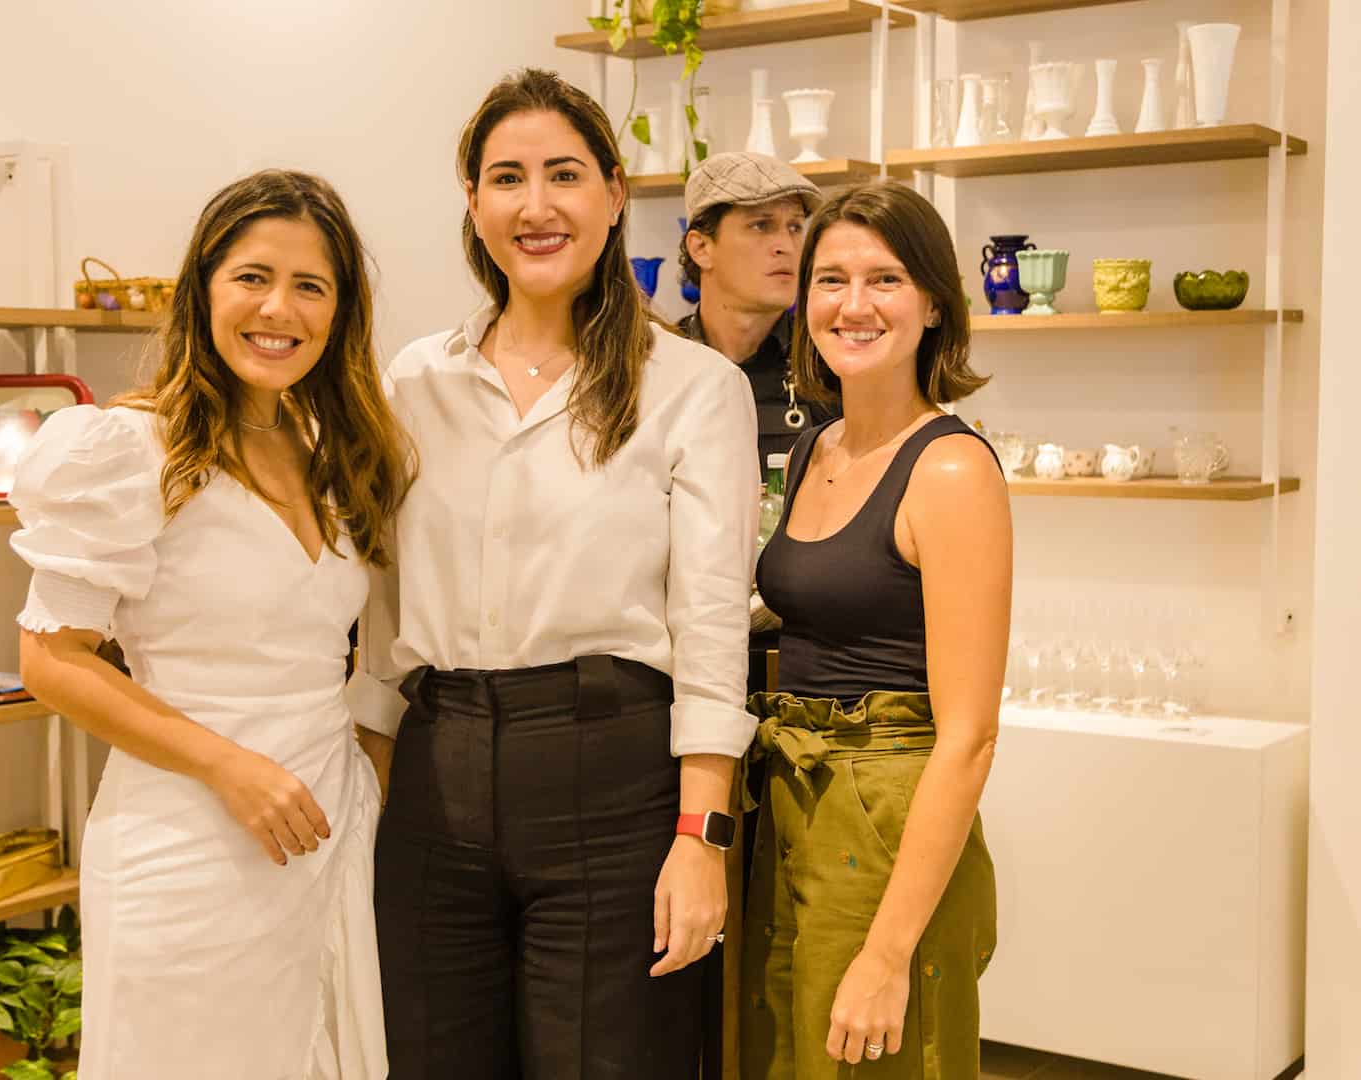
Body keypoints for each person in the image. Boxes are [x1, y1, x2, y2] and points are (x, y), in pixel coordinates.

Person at [347, 68, 759, 1078]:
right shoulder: (413, 381)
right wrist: (373, 809)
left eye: (564, 174)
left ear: (615, 194)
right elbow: (382, 622)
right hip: (436, 774)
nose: (536, 206)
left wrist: (702, 839)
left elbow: (712, 631)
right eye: (507, 178)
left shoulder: (693, 387)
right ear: (473, 202)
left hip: (612, 781)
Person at [11, 170, 412, 1079]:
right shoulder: (129, 449)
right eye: (252, 278)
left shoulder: (329, 448)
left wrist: (368, 772)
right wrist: (229, 768)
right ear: (203, 287)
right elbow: (52, 661)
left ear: (341, 310)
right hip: (187, 841)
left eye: (310, 286)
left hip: (325, 828)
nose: (279, 310)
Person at [742, 180, 1011, 1079]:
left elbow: (969, 737)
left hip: (888, 815)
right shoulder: (814, 447)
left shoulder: (950, 469)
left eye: (885, 279)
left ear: (933, 304)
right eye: (831, 280)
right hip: (795, 796)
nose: (853, 306)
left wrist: (889, 952)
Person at [676, 151, 835, 466]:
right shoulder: (655, 364)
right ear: (701, 247)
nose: (786, 246)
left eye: (795, 227)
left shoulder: (828, 363)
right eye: (761, 225)